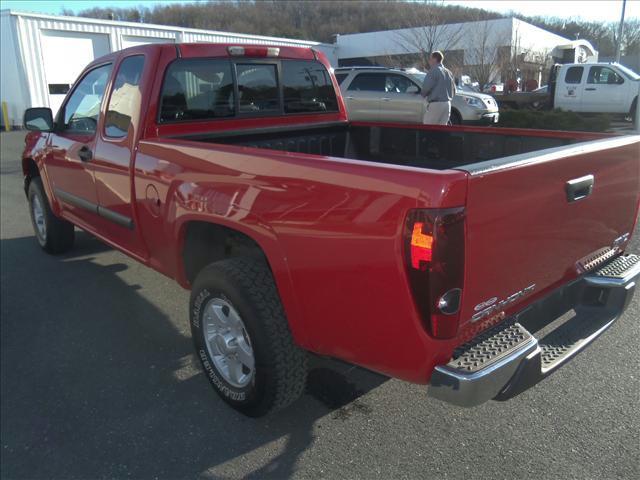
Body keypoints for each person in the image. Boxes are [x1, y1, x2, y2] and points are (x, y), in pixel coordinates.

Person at [420, 51, 456, 125]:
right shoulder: (448, 72)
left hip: (436, 104)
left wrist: (423, 94)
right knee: (442, 128)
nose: (429, 61)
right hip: (447, 104)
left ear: (435, 59)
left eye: (430, 58)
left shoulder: (433, 70)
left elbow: (426, 87)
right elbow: (454, 90)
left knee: (428, 127)